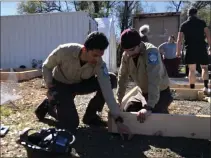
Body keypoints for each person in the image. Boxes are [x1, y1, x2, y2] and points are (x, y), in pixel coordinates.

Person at [37, 31, 131, 137]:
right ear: (85, 49)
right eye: (94, 55)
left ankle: (90, 117)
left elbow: (107, 92)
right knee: (71, 124)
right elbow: (47, 66)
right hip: (61, 85)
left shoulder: (99, 64)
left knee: (111, 79)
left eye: (100, 55)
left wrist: (117, 119)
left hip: (80, 84)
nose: (97, 59)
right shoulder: (64, 50)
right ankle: (50, 104)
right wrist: (49, 86)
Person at [116, 28, 173, 123]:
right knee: (128, 110)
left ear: (139, 44)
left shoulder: (151, 52)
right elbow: (122, 77)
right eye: (126, 51)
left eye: (132, 50)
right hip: (142, 93)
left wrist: (149, 107)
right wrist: (118, 101)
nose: (129, 53)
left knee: (155, 118)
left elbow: (154, 79)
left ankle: (162, 106)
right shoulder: (126, 55)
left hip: (160, 92)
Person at [176, 7, 211, 94]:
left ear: (188, 14)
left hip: (190, 48)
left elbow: (179, 40)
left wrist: (178, 51)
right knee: (205, 68)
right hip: (201, 48)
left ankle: (192, 88)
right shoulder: (202, 23)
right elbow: (208, 36)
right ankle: (206, 87)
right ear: (196, 14)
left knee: (192, 70)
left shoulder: (184, 25)